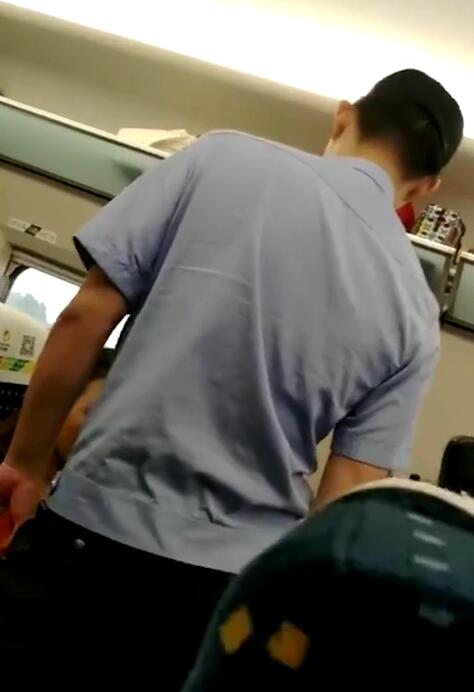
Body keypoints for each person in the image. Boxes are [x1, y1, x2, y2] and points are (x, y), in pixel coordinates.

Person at [0, 69, 463, 677]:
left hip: (87, 534)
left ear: (344, 116)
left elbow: (83, 317)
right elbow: (347, 491)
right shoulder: (416, 310)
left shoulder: (219, 158)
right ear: (425, 186)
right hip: (221, 591)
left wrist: (26, 463)